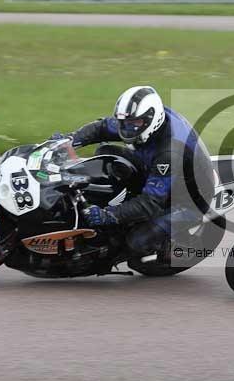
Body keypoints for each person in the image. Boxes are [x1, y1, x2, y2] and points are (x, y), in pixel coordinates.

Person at [60, 86, 215, 258]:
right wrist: (70, 140)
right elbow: (102, 127)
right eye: (124, 123)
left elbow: (151, 202)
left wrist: (110, 215)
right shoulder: (137, 120)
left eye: (134, 124)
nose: (127, 129)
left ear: (151, 119)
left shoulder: (169, 152)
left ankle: (177, 245)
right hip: (157, 170)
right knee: (105, 154)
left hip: (187, 200)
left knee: (135, 243)